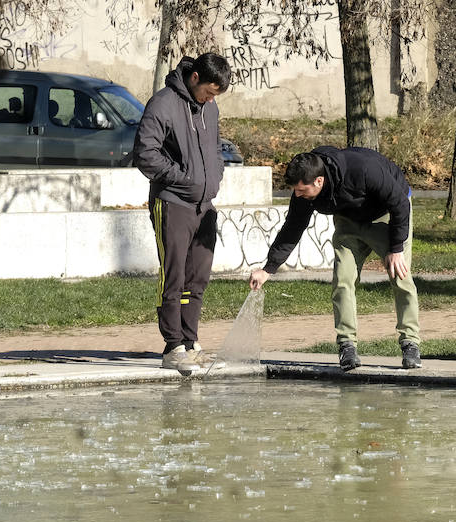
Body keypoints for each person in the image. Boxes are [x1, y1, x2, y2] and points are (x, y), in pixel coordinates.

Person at [249, 147, 422, 371]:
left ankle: (410, 343)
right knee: (342, 280)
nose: (298, 195)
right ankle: (347, 345)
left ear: (319, 181)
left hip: (388, 215)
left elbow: (399, 203)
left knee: (400, 277)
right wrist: (268, 269)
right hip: (349, 222)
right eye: (296, 191)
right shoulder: (305, 186)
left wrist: (396, 248)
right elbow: (293, 227)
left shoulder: (364, 170)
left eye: (302, 190)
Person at [133, 53, 231, 375]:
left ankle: (190, 343)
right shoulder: (163, 104)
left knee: (197, 278)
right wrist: (182, 177)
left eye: (215, 95)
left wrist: (214, 175)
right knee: (173, 275)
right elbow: (145, 153)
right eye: (209, 92)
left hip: (204, 206)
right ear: (194, 79)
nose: (211, 99)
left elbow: (215, 148)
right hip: (173, 202)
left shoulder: (210, 107)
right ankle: (172, 345)